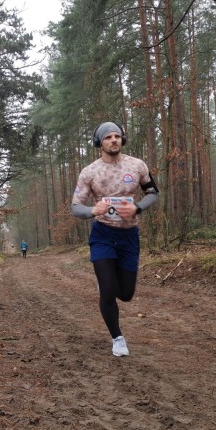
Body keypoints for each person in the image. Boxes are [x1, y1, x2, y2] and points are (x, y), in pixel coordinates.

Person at [71, 121, 159, 357]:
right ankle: (117, 338)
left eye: (117, 136)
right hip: (103, 234)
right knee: (108, 291)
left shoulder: (137, 165)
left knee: (126, 294)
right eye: (108, 137)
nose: (113, 140)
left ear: (123, 139)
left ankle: (107, 282)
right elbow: (75, 208)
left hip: (129, 235)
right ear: (100, 143)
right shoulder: (89, 172)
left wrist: (137, 208)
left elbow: (153, 193)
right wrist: (93, 211)